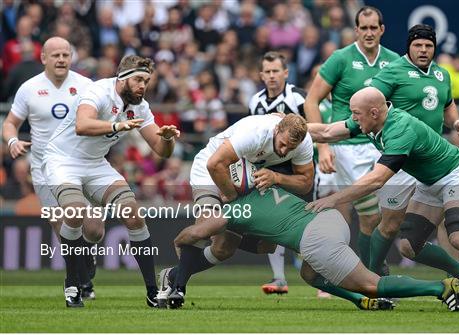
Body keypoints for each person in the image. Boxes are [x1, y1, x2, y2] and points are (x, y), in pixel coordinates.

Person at [307, 87, 459, 312]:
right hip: (429, 181)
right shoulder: (371, 119)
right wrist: (287, 128)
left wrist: (334, 199)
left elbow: (377, 180)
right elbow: (327, 132)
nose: (353, 118)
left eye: (356, 113)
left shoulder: (400, 130)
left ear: (374, 112)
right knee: (408, 246)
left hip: (457, 174)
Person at [170, 186, 459, 312]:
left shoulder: (236, 209)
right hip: (329, 219)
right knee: (311, 275)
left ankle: (442, 288)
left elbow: (196, 232)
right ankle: (358, 301)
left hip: (315, 238)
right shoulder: (265, 187)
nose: (218, 191)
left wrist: (178, 242)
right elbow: (266, 244)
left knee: (371, 284)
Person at [42, 54, 180, 308]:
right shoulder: (98, 91)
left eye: (146, 81)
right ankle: (72, 284)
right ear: (122, 78)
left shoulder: (140, 105)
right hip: (63, 160)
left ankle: (152, 291)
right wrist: (118, 127)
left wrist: (169, 138)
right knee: (74, 212)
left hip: (95, 164)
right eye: (138, 79)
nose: (143, 86)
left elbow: (160, 149)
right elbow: (82, 125)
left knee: (134, 215)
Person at [368, 24, 459, 303]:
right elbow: (371, 102)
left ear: (435, 48)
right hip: (401, 160)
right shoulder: (393, 71)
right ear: (408, 46)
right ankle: (372, 278)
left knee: (446, 225)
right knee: (390, 225)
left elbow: (447, 105)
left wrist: (456, 123)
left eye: (428, 45)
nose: (423, 50)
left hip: (433, 161)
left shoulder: (442, 74)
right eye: (418, 45)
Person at [164, 113, 314, 308]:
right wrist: (232, 198)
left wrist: (276, 177)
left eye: (291, 148)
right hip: (209, 170)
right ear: (276, 129)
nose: (285, 151)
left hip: (244, 178)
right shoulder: (255, 132)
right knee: (207, 225)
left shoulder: (303, 143)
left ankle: (172, 274)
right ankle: (178, 289)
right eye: (283, 144)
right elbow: (214, 164)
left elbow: (305, 183)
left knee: (229, 249)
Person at [2, 36, 103, 300]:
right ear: (43, 58)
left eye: (65, 55)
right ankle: (80, 280)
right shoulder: (29, 88)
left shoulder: (86, 86)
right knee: (63, 228)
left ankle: (86, 261)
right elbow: (10, 122)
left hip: (81, 164)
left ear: (71, 58)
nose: (61, 59)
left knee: (93, 230)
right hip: (45, 169)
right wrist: (12, 140)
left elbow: (103, 117)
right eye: (55, 55)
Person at [304, 6, 399, 271]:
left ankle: (372, 273)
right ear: (356, 30)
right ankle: (374, 274)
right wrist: (322, 147)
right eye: (363, 28)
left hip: (383, 147)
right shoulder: (340, 58)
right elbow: (311, 101)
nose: (369, 33)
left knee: (389, 218)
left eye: (373, 28)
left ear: (382, 30)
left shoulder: (394, 61)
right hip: (347, 148)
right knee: (370, 217)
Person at [248, 51, 308, 294]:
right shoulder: (255, 101)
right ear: (261, 75)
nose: (272, 76)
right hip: (268, 168)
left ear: (286, 72)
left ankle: (318, 279)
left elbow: (313, 128)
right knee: (273, 223)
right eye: (268, 72)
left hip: (297, 169)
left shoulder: (299, 97)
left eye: (276, 71)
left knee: (301, 223)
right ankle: (279, 278)